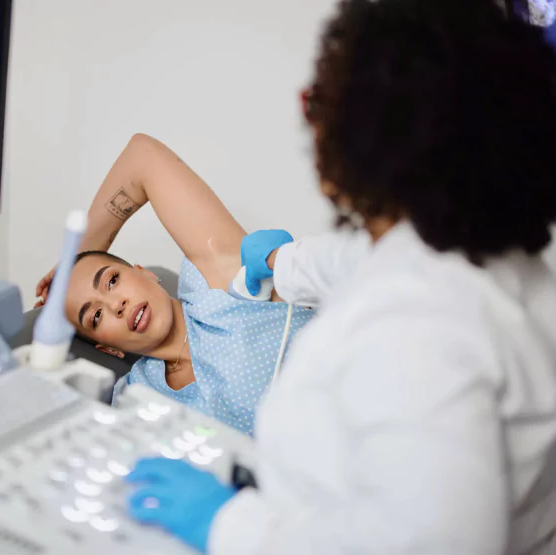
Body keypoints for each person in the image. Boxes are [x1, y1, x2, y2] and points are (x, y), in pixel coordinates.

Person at [122, 0, 556, 553]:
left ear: (366, 139)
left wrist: (228, 526)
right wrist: (283, 265)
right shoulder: (485, 251)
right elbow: (371, 261)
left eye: (318, 103)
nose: (311, 121)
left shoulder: (418, 331)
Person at [35, 134, 315, 435]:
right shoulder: (137, 398)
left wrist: (75, 256)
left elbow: (142, 156)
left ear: (145, 273)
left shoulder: (216, 286)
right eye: (96, 316)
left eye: (112, 280)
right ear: (109, 349)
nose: (116, 305)